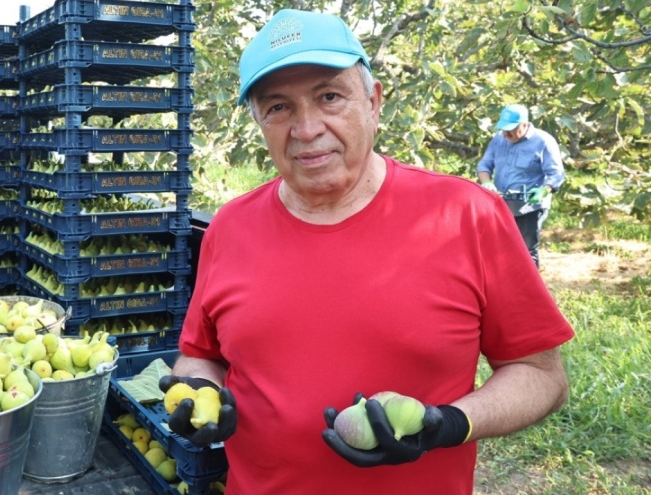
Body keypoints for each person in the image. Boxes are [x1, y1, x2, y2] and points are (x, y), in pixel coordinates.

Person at [158, 8, 575, 495]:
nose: (307, 128)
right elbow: (198, 354)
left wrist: (449, 424)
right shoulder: (230, 227)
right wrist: (201, 391)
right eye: (278, 107)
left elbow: (541, 375)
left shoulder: (465, 215)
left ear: (374, 102)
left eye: (330, 97)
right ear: (260, 122)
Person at [476, 104, 565, 267]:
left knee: (526, 250)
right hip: (502, 203)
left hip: (529, 206)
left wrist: (544, 191)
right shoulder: (498, 139)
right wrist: (486, 182)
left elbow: (556, 174)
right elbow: (484, 165)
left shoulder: (543, 141)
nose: (506, 133)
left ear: (524, 124)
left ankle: (528, 288)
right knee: (498, 248)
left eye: (511, 129)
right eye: (503, 128)